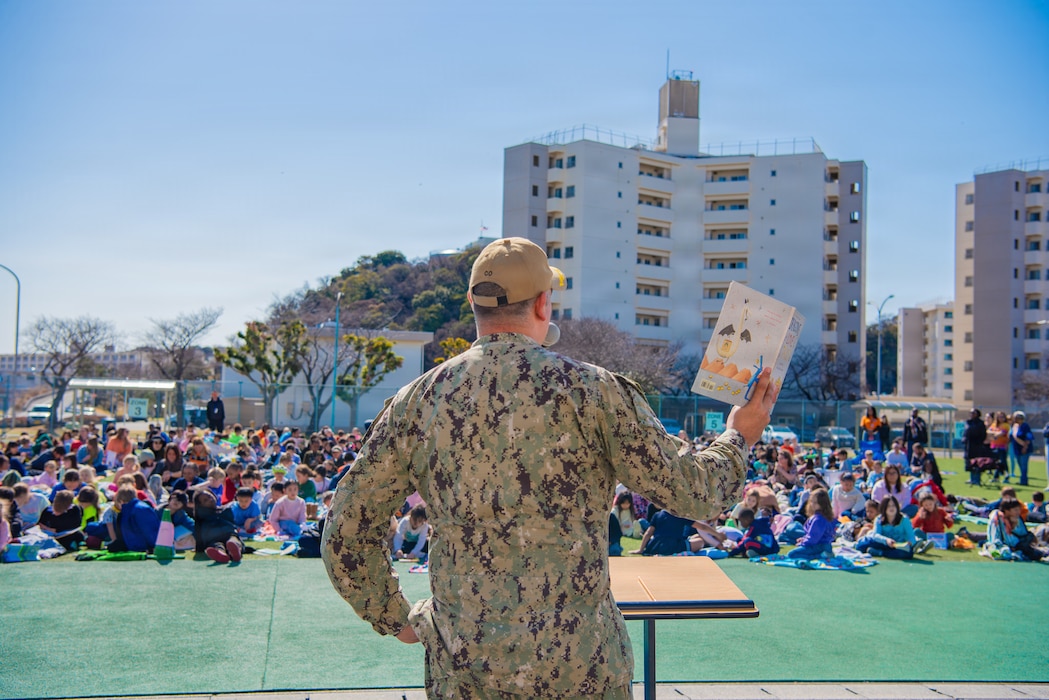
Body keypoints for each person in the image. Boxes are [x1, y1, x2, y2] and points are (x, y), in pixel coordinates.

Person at [321, 237, 775, 699]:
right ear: (543, 303)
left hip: (464, 670)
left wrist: (395, 617)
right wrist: (738, 435)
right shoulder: (595, 392)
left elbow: (345, 531)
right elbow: (697, 493)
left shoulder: (417, 402)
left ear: (473, 303)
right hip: (580, 670)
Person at [787, 488, 835, 560]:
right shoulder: (821, 516)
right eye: (812, 501)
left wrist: (802, 543)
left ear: (822, 504)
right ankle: (823, 554)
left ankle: (820, 556)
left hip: (819, 546)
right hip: (822, 545)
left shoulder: (819, 519)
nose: (812, 504)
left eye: (816, 503)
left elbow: (814, 538)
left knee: (792, 554)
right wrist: (803, 539)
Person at [1008, 410, 1034, 486]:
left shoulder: (1025, 426)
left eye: (1018, 418)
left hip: (1024, 448)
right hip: (1017, 449)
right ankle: (1022, 479)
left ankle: (1024, 481)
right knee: (1020, 464)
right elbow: (1011, 436)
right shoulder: (1014, 426)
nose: (1016, 419)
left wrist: (1025, 447)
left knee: (1024, 465)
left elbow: (1028, 437)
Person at [963, 408, 988, 486]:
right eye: (970, 413)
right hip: (968, 446)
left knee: (977, 463)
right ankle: (972, 478)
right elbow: (966, 432)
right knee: (969, 462)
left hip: (977, 446)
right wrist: (964, 439)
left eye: (973, 413)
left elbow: (983, 435)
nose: (972, 414)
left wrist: (978, 441)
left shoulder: (980, 423)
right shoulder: (968, 422)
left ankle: (977, 479)